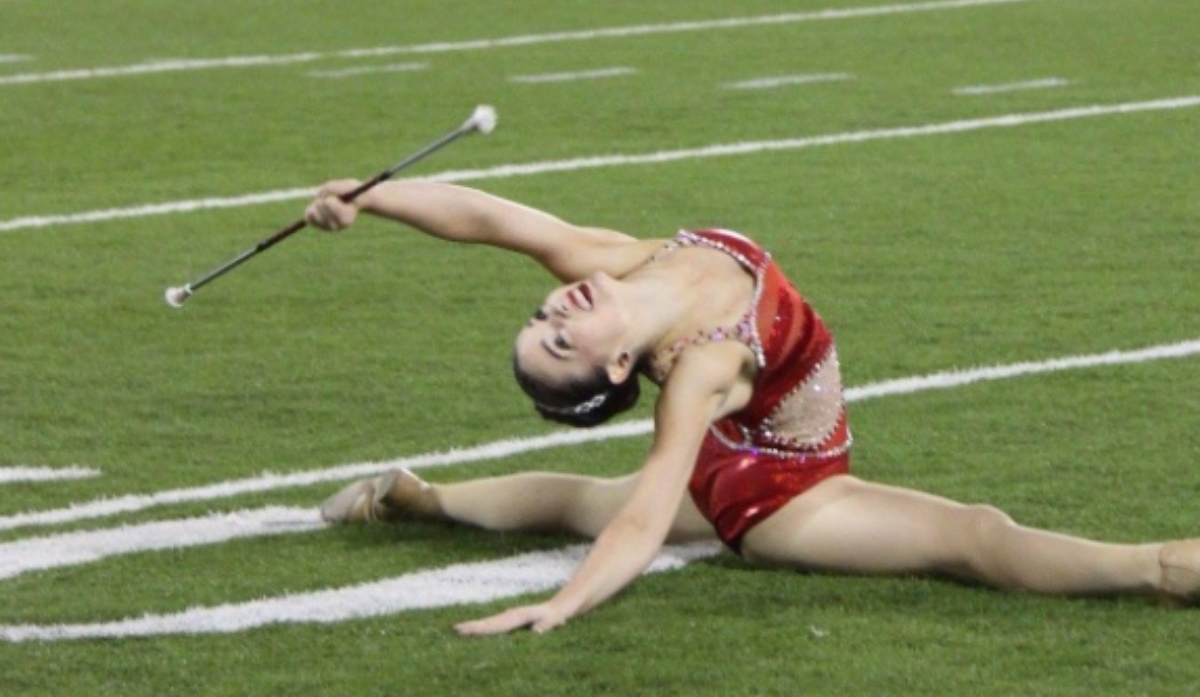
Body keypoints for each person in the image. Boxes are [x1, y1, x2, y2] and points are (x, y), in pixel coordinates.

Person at [304, 178, 1200, 636]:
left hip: (744, 447)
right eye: (558, 342)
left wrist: (370, 197)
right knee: (972, 535)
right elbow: (651, 511)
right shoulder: (701, 367)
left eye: (542, 320)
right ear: (619, 363)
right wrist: (564, 607)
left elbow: (493, 220)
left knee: (574, 498)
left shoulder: (616, 262)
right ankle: (1157, 567)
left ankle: (417, 499)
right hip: (783, 496)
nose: (556, 312)